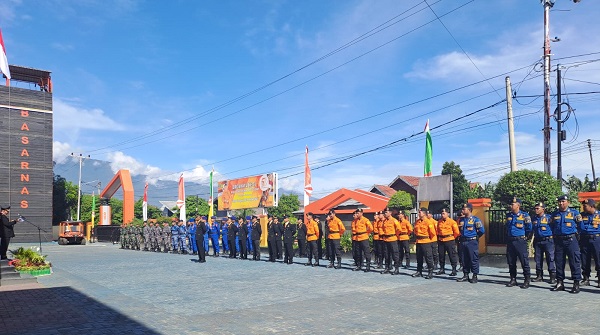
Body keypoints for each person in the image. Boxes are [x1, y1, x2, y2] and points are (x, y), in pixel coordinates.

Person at [551, 195, 583, 293]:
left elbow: (580, 226)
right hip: (559, 240)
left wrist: (576, 235)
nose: (561, 203)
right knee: (559, 262)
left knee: (574, 261)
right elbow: (551, 226)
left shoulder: (574, 213)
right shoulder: (554, 214)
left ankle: (576, 283)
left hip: (571, 240)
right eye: (560, 202)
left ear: (567, 202)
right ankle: (560, 282)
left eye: (563, 201)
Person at [505, 198, 533, 289]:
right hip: (510, 241)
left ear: (518, 205)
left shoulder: (525, 215)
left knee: (524, 261)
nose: (511, 205)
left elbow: (529, 228)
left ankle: (527, 279)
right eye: (511, 204)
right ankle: (513, 279)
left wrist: (525, 237)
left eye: (513, 204)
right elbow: (506, 227)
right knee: (511, 261)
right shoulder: (508, 215)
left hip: (520, 241)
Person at [456, 203, 485, 284]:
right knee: (464, 258)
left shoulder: (475, 220)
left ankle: (474, 275)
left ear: (469, 210)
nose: (462, 210)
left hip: (472, 241)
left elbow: (482, 231)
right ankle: (465, 275)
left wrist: (475, 237)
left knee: (473, 258)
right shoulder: (461, 220)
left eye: (464, 209)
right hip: (463, 241)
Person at [531, 202, 556, 283]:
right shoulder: (534, 218)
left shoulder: (549, 218)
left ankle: (552, 276)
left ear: (543, 209)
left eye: (538, 208)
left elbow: (554, 228)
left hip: (548, 240)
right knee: (538, 259)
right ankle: (539, 276)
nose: (536, 210)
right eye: (535, 208)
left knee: (550, 258)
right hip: (538, 240)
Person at [579, 199, 600, 288]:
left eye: (585, 206)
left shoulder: (599, 215)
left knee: (598, 259)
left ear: (591, 206)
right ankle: (586, 278)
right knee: (584, 259)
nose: (583, 207)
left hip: (596, 238)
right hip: (584, 239)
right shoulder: (582, 215)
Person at [412, 208, 437, 279]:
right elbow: (415, 231)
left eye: (420, 212)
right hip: (419, 241)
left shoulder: (428, 222)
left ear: (424, 213)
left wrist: (429, 241)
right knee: (419, 257)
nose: (419, 214)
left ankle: (430, 272)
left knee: (428, 258)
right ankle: (419, 271)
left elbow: (432, 233)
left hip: (426, 242)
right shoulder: (417, 222)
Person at [436, 208, 460, 276]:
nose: (442, 215)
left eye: (444, 213)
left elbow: (456, 232)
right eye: (442, 213)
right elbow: (437, 231)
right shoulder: (439, 222)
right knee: (441, 255)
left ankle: (454, 269)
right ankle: (442, 269)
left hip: (449, 240)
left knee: (452, 255)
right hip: (441, 240)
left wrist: (451, 238)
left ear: (448, 214)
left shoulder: (452, 222)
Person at [380, 208, 402, 275]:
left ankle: (396, 269)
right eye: (385, 212)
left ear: (390, 213)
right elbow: (382, 229)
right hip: (386, 239)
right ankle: (387, 267)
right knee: (386, 254)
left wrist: (395, 235)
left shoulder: (394, 220)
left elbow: (399, 229)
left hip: (392, 239)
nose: (385, 213)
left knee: (395, 254)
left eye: (386, 212)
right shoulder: (384, 221)